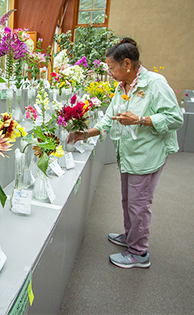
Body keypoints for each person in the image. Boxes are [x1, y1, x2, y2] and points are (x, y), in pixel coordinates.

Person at [70, 37, 183, 269]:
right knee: (128, 200)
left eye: (112, 68)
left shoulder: (155, 83)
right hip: (129, 154)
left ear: (127, 64)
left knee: (138, 204)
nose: (109, 72)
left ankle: (139, 253)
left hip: (147, 155)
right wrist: (86, 133)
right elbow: (107, 119)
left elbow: (175, 118)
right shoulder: (122, 87)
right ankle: (131, 236)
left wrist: (141, 119)